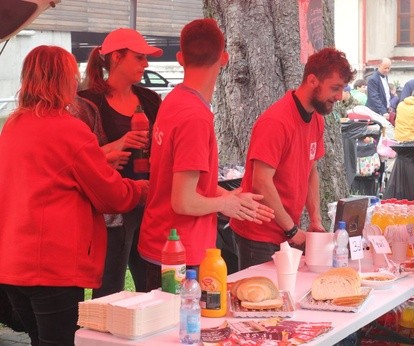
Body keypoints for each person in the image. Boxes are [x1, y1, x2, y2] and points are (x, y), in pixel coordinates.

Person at [0, 45, 148, 345]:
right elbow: (112, 197)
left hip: (13, 263)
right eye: (73, 75)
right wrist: (144, 188)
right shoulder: (70, 130)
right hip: (53, 266)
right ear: (64, 79)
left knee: (39, 339)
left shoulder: (13, 125)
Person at [138, 18, 273, 288]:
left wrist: (229, 196)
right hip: (180, 256)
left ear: (179, 58)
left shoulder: (173, 100)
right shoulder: (195, 116)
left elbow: (186, 185)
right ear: (224, 58)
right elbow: (183, 201)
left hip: (164, 245)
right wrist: (226, 204)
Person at [230, 47, 355, 270]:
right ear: (313, 80)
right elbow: (261, 182)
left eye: (342, 89)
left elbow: (311, 171)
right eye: (335, 88)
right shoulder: (276, 121)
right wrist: (291, 229)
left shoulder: (316, 118)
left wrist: (315, 220)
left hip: (287, 230)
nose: (339, 96)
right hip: (259, 234)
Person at [78, 28, 162, 298]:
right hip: (111, 207)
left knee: (151, 285)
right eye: (139, 57)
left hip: (149, 199)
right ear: (116, 58)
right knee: (109, 286)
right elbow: (79, 160)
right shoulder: (88, 102)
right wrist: (119, 143)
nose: (146, 64)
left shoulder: (150, 98)